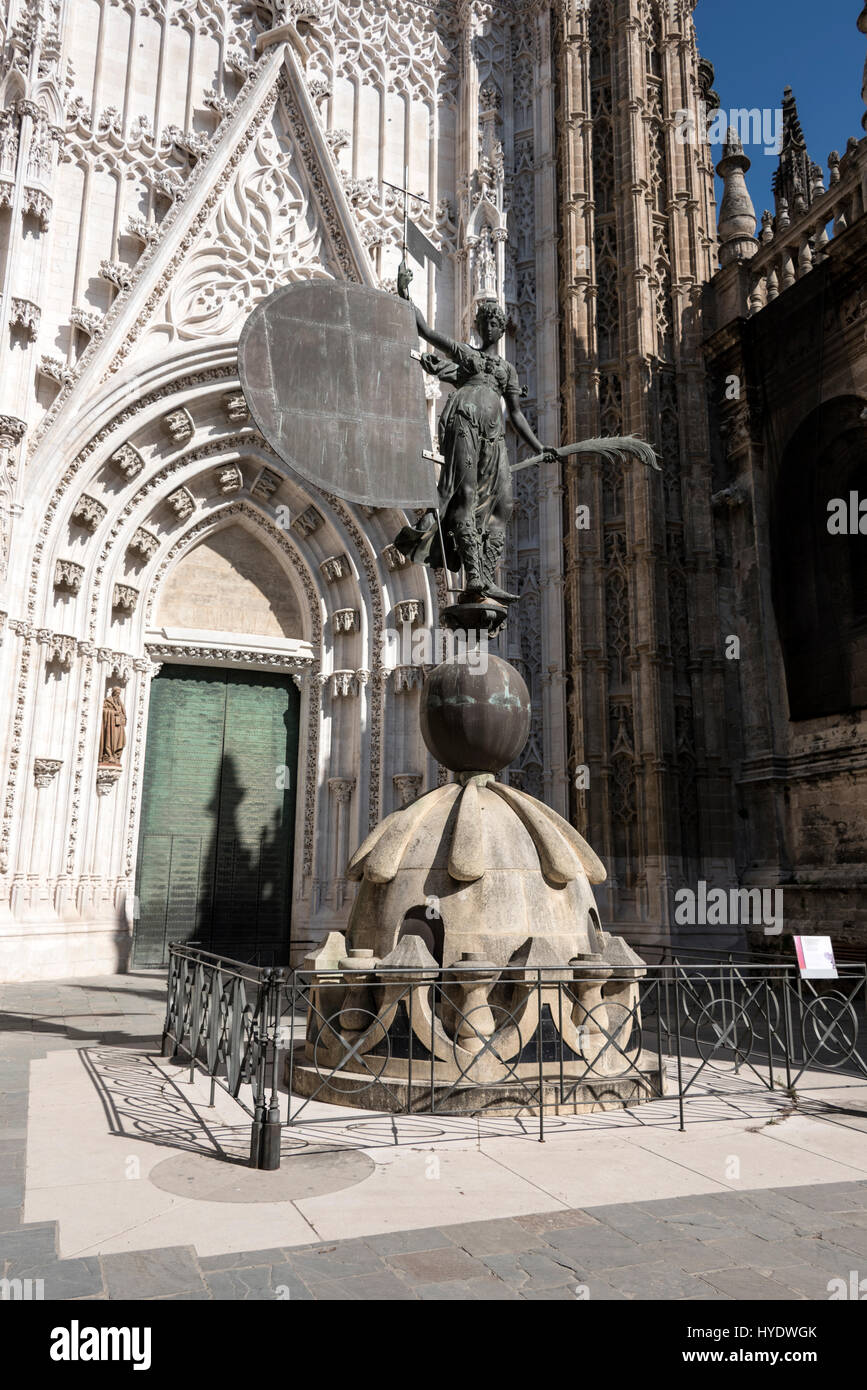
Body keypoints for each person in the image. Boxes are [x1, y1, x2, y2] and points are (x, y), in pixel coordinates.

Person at [393, 260, 557, 601]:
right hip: (464, 420)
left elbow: (515, 414)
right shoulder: (467, 356)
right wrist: (406, 292)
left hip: (493, 434)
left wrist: (540, 448)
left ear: (502, 329)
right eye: (486, 322)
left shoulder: (507, 370)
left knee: (504, 503)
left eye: (496, 323)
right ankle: (475, 578)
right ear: (480, 327)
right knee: (465, 496)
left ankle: (487, 573)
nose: (491, 327)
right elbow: (425, 330)